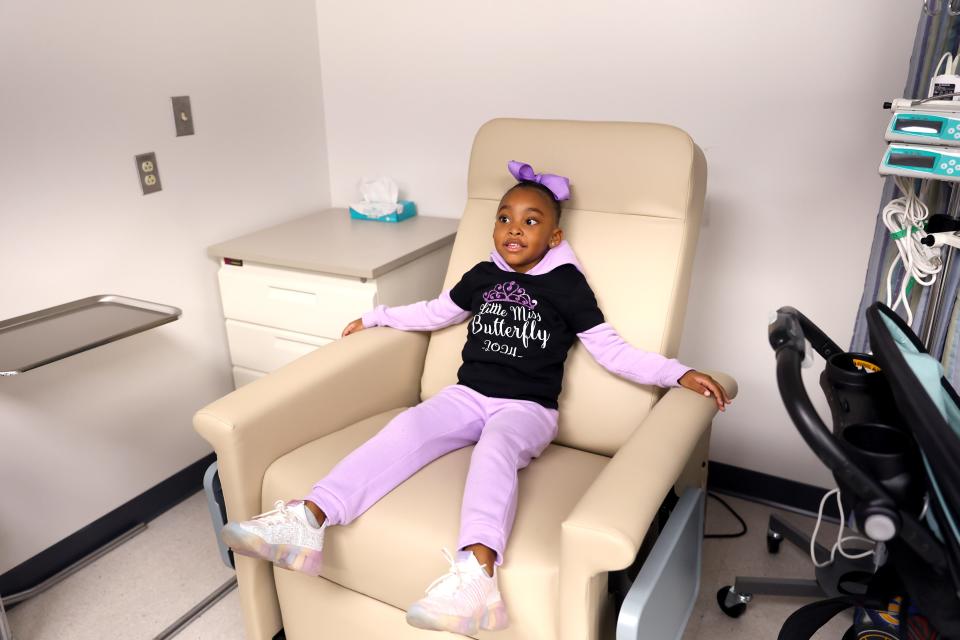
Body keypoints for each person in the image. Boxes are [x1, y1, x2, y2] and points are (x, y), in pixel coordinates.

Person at [221, 160, 732, 636]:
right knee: (405, 429)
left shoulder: (567, 285)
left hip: (526, 410)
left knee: (495, 452)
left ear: (554, 236)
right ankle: (309, 519)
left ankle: (477, 578)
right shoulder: (482, 275)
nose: (514, 228)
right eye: (505, 217)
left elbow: (613, 351)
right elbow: (435, 311)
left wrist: (678, 373)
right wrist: (377, 317)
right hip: (466, 396)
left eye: (531, 221)